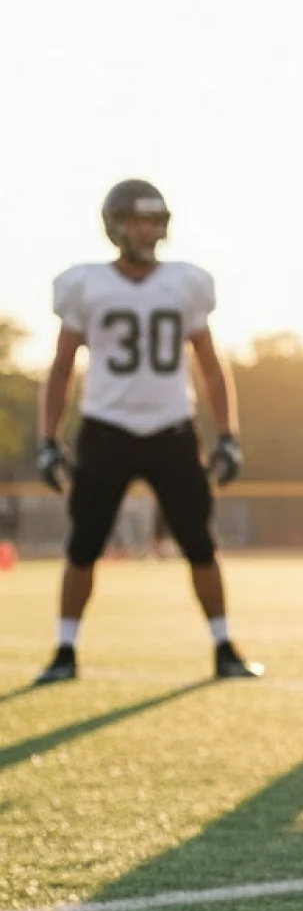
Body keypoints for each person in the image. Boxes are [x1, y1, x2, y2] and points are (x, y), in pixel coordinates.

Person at [33, 180, 261, 684]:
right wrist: (48, 439)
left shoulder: (184, 282)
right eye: (138, 220)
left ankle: (224, 647)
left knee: (200, 543)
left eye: (155, 220)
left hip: (171, 430)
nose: (148, 230)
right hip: (106, 430)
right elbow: (61, 366)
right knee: (83, 545)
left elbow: (211, 364)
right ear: (114, 225)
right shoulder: (85, 284)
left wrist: (228, 433)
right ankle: (65, 650)